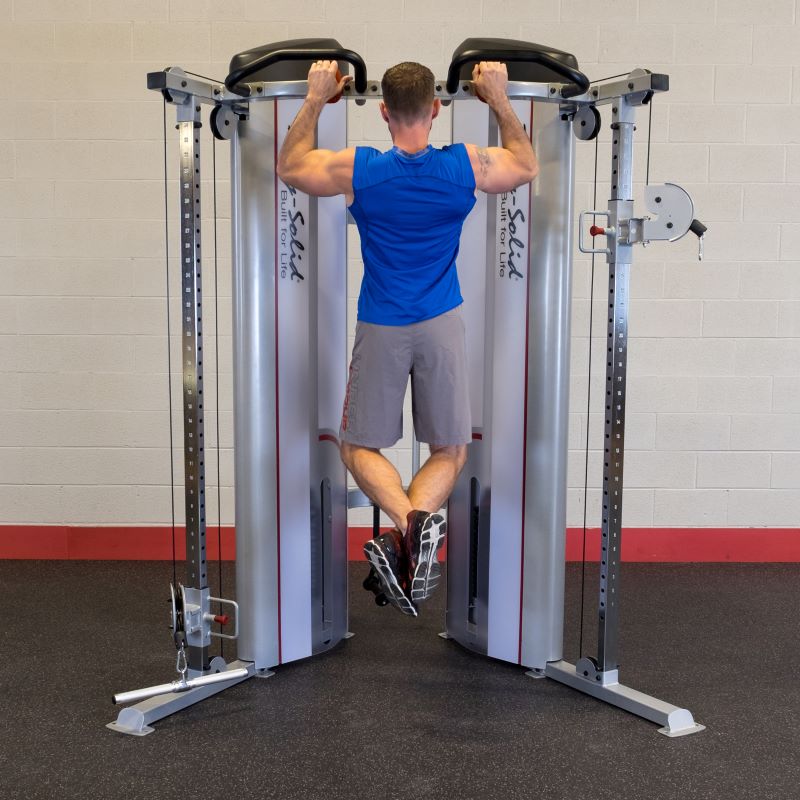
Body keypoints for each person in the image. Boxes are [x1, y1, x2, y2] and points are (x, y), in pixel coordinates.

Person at [277, 59, 538, 617]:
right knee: (451, 449)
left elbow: (290, 166)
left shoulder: (361, 169)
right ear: (436, 108)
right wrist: (497, 98)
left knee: (356, 447)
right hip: (442, 322)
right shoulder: (463, 165)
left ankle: (407, 526)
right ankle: (416, 528)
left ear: (384, 112)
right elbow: (525, 164)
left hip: (382, 323)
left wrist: (317, 96)